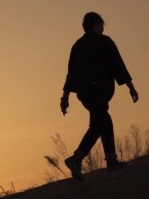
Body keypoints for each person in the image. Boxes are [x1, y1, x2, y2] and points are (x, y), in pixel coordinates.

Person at [60, 12, 139, 181]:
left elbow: (71, 74)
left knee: (102, 120)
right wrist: (131, 87)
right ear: (96, 25)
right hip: (99, 89)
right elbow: (118, 65)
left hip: (84, 93)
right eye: (101, 25)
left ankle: (111, 160)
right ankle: (77, 158)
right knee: (99, 122)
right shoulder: (104, 41)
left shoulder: (77, 46)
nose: (103, 29)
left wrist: (65, 98)